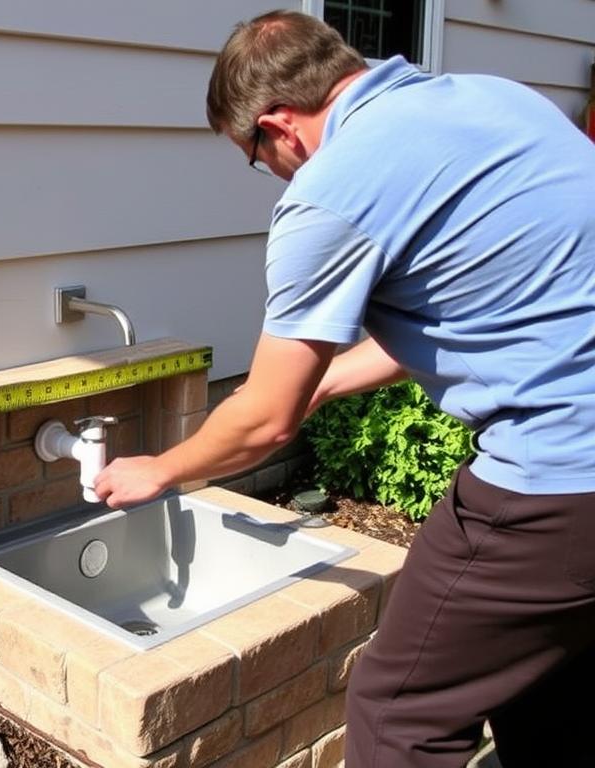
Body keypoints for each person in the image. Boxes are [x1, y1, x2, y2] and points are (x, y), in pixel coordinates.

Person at [93, 9, 595, 767]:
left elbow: (264, 422)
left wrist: (162, 468)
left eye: (254, 158)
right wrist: (318, 385)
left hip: (560, 478)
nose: (271, 174)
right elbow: (469, 306)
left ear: (277, 127)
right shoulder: (497, 100)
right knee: (545, 671)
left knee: (398, 707)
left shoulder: (332, 192)